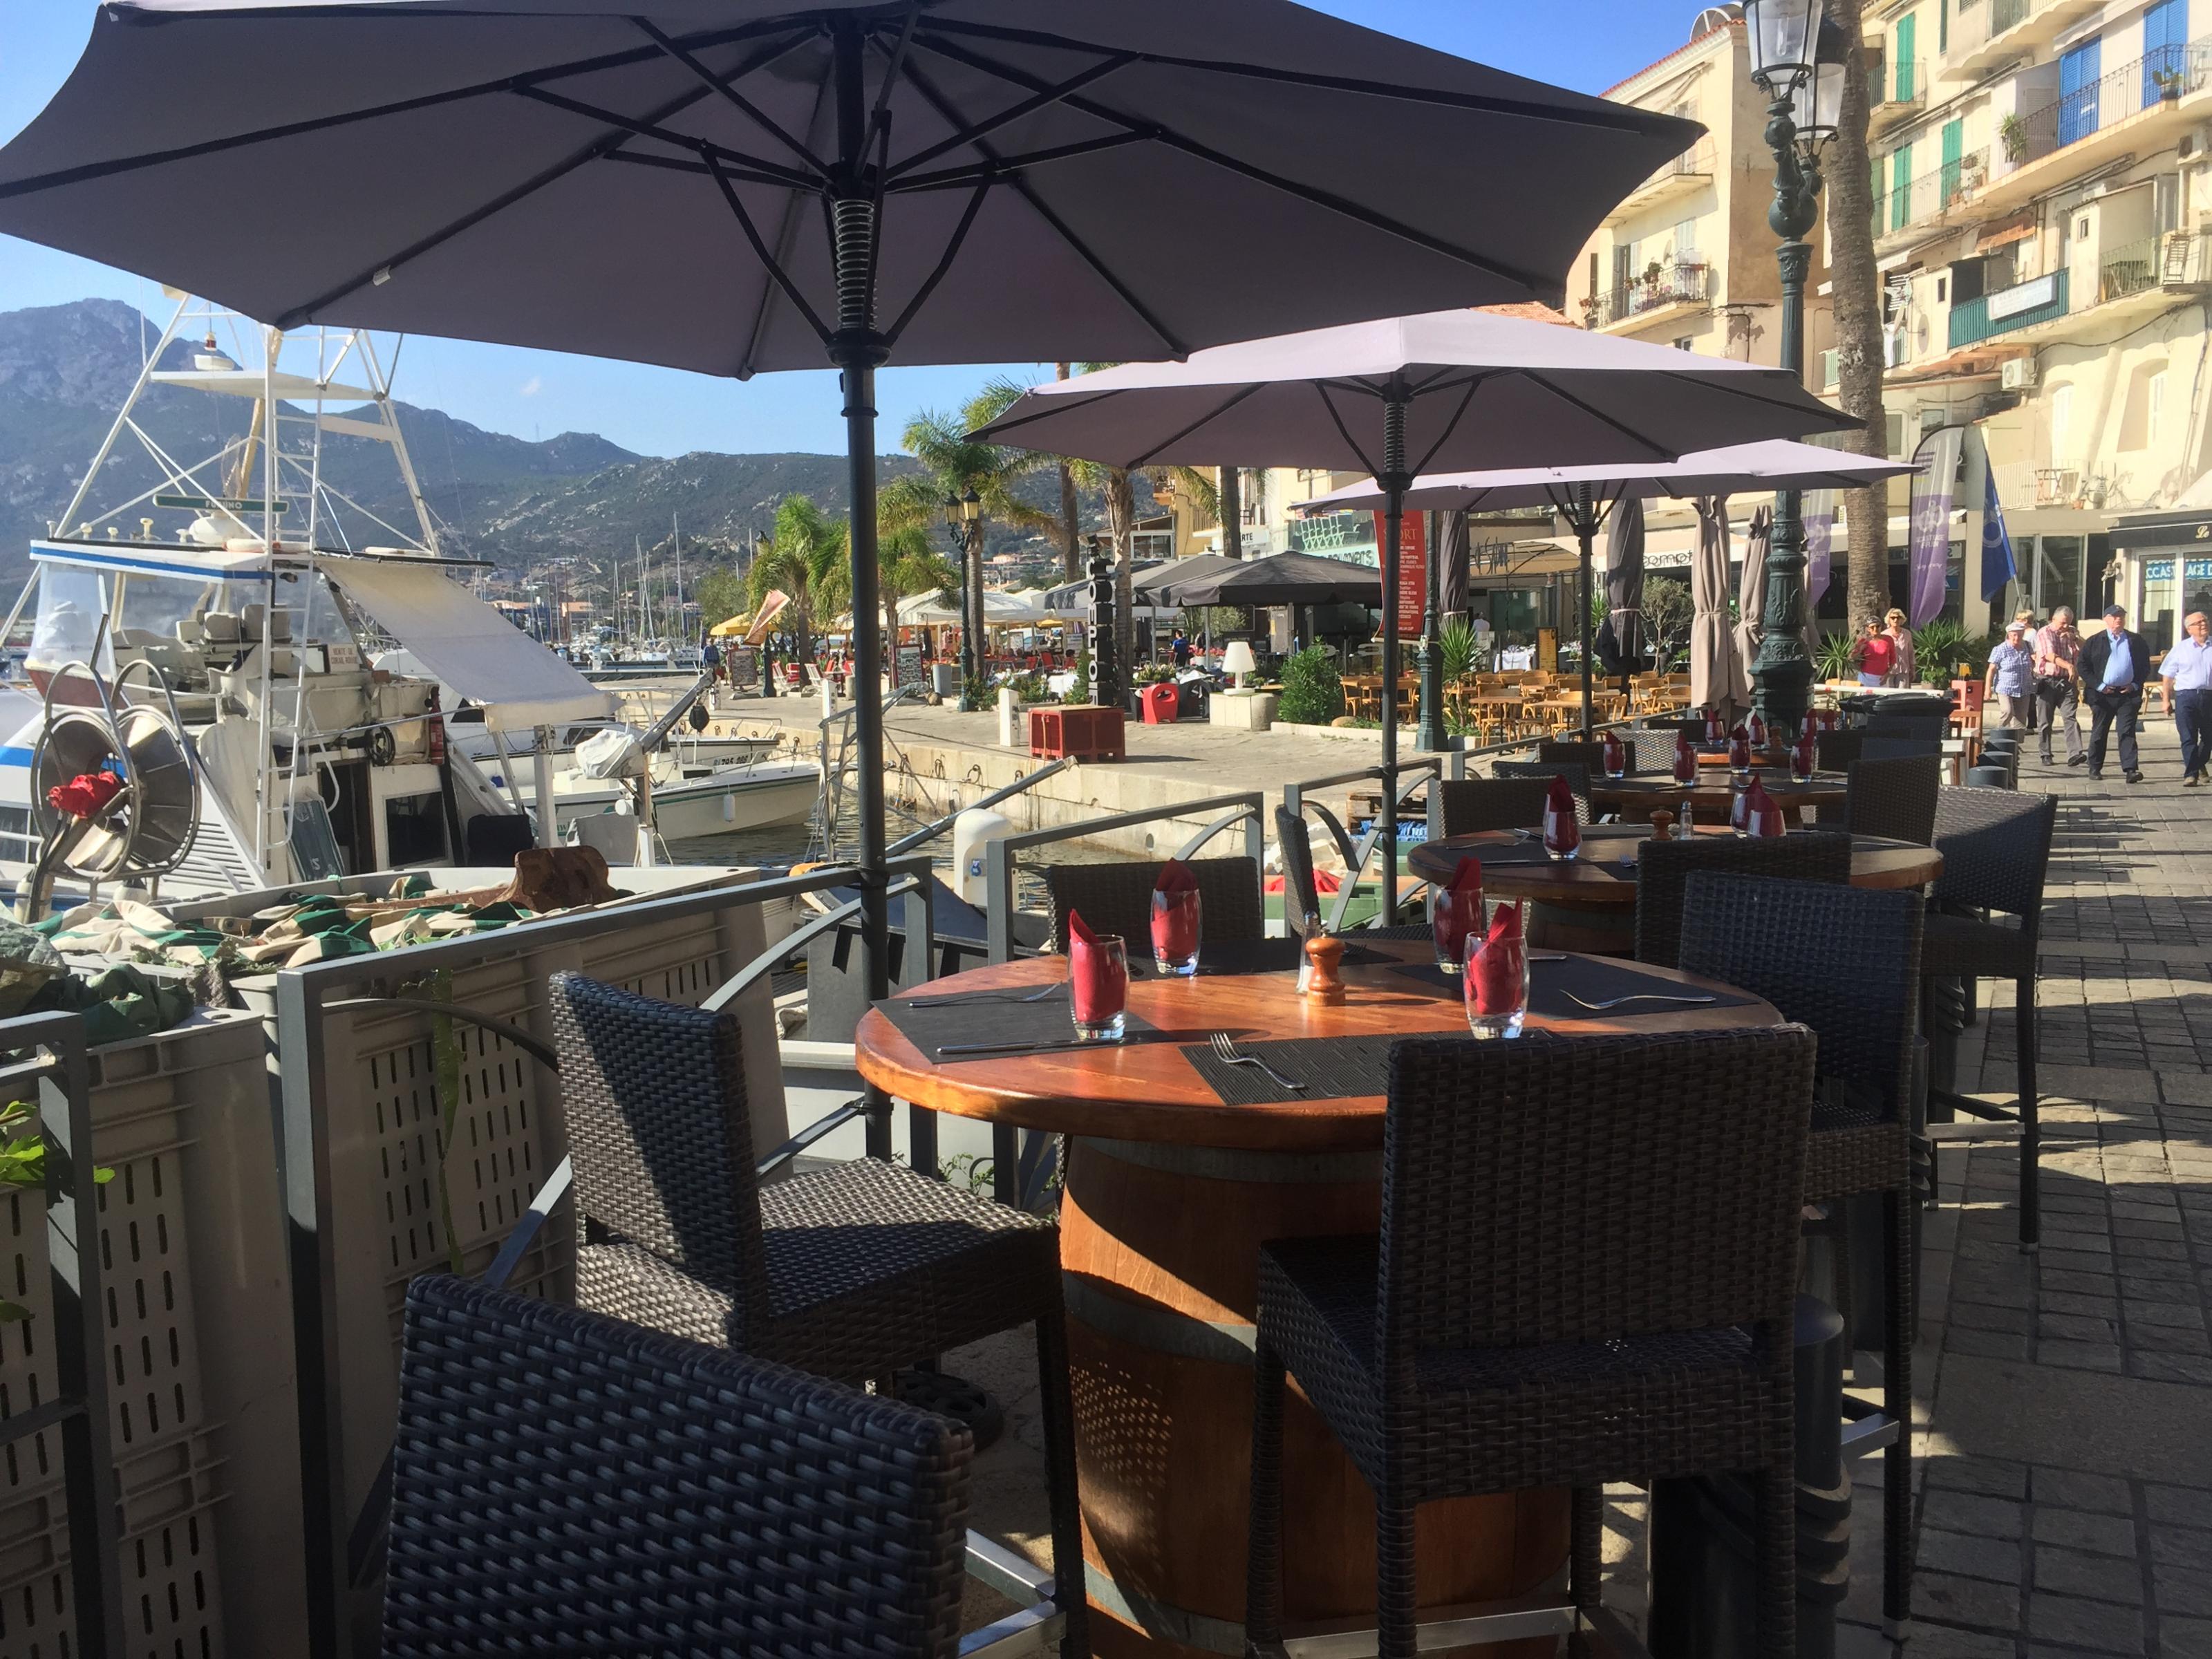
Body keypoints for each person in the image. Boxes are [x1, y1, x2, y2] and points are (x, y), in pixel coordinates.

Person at [2079, 603, 2151, 782]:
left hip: (2127, 694)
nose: (2119, 619)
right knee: (2100, 731)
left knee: (2127, 731)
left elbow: (2145, 666)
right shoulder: (2095, 641)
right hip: (2102, 695)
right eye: (2115, 616)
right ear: (2106, 619)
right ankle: (2095, 767)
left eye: (2122, 616)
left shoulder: (2135, 640)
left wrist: (2135, 685)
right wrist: (2099, 686)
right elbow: (2083, 666)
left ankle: (2131, 769)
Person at [2159, 609, 2212, 785]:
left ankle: (2199, 763)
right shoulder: (2181, 649)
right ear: (2189, 629)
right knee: (2188, 737)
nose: (2203, 624)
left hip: (2209, 696)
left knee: (2209, 737)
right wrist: (2166, 700)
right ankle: (2191, 774)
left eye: (2205, 621)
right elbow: (2168, 676)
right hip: (2186, 696)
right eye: (2199, 623)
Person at [2032, 606, 2086, 767]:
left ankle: (2075, 754)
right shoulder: (2045, 632)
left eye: (2069, 623)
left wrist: (2074, 638)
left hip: (2067, 682)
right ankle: (2045, 753)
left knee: (2070, 717)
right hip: (2047, 681)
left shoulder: (2071, 631)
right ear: (2054, 619)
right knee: (2045, 720)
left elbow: (2086, 648)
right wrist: (2068, 666)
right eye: (2063, 623)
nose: (2065, 626)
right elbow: (2049, 655)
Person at [1985, 619, 2036, 729]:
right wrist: (1988, 689)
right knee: (2007, 712)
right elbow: (1991, 670)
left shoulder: (2027, 646)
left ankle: (2016, 740)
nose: (2017, 638)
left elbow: (2033, 663)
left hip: (2024, 688)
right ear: (2009, 635)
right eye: (2014, 635)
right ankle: (1998, 735)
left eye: (2020, 635)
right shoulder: (2000, 649)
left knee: (2021, 720)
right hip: (2005, 688)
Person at [1853, 617, 1895, 687]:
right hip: (1865, 677)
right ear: (1868, 629)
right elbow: (1853, 657)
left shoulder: (1888, 640)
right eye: (1872, 627)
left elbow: (1893, 659)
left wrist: (1887, 674)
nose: (1875, 629)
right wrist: (1860, 650)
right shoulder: (1863, 641)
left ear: (1881, 627)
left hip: (1882, 678)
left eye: (1877, 626)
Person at [1882, 608, 1917, 687]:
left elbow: (1911, 652)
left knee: (1902, 693)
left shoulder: (1907, 634)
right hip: (1888, 671)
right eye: (1893, 618)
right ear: (1889, 620)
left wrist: (1913, 669)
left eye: (1898, 618)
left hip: (1903, 670)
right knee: (1889, 693)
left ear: (1902, 620)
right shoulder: (1884, 635)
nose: (1895, 620)